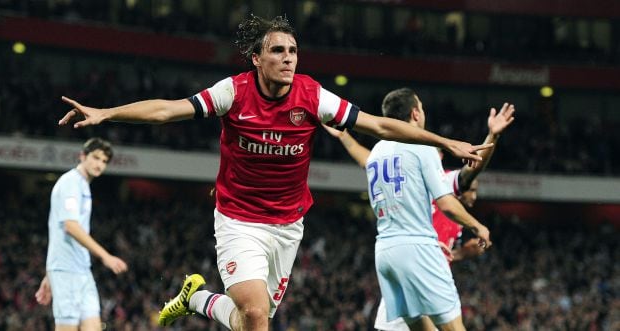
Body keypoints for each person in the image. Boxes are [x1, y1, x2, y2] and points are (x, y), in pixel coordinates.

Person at [57, 15, 493, 331]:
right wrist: (107, 113)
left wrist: (444, 142)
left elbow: (377, 125)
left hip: (287, 224)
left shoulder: (311, 95)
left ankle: (199, 298)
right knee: (255, 313)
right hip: (238, 218)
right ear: (257, 58)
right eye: (278, 51)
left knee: (251, 318)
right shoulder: (234, 92)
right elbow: (169, 111)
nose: (288, 59)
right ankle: (207, 299)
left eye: (293, 51)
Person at [324, 91, 514, 330]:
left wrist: (343, 136)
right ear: (415, 113)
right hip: (419, 249)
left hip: (385, 253)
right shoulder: (424, 148)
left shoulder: (378, 154)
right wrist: (478, 226)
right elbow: (454, 192)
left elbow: (364, 159)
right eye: (422, 108)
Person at [35, 138, 128, 331]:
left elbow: (57, 233)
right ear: (82, 156)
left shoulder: (83, 185)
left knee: (93, 326)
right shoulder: (71, 183)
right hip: (66, 271)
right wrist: (105, 256)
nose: (99, 164)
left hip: (81, 269)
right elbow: (70, 226)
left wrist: (48, 275)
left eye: (104, 161)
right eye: (95, 158)